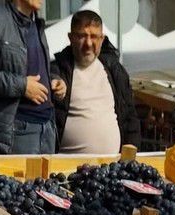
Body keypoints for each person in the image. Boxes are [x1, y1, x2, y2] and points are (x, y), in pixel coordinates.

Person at [0, 0, 65, 154]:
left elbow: (28, 68)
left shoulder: (36, 24)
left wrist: (54, 81)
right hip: (16, 130)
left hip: (47, 127)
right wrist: (22, 86)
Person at [51, 10, 141, 155]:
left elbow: (130, 117)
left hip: (112, 170)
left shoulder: (114, 70)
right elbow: (49, 78)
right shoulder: (59, 70)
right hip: (67, 171)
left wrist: (131, 158)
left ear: (102, 39)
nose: (88, 43)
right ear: (71, 37)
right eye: (82, 36)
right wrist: (53, 82)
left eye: (94, 36)